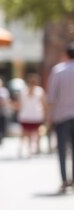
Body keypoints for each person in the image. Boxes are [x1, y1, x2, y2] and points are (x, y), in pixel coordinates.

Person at [47, 42, 74, 192]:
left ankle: (64, 181)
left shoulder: (58, 70)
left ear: (66, 54)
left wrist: (48, 116)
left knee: (62, 150)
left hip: (62, 116)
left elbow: (51, 97)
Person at [15, 73, 46, 157]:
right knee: (34, 133)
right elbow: (43, 104)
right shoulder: (38, 91)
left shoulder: (25, 91)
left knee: (27, 133)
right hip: (34, 115)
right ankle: (34, 149)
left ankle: (28, 149)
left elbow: (19, 104)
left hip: (28, 115)